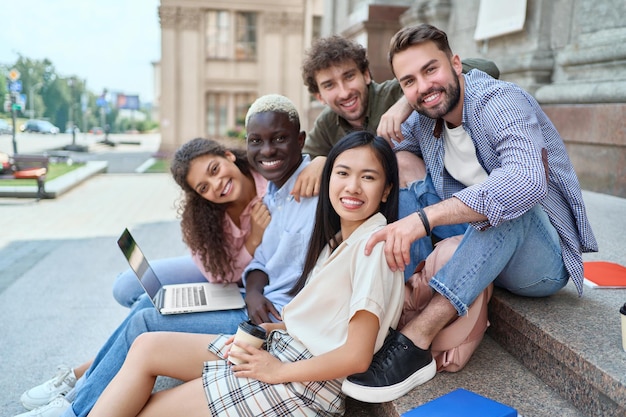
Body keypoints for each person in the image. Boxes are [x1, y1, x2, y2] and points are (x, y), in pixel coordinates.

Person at [15, 94, 317, 417]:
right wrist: (251, 249)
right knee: (139, 296)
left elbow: (307, 167)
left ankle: (76, 396)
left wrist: (320, 162)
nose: (217, 185)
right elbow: (225, 273)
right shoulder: (214, 212)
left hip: (251, 301)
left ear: (230, 155)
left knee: (146, 317)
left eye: (216, 169)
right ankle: (84, 387)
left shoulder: (272, 182)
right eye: (204, 186)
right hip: (233, 284)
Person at [341, 23, 598, 403]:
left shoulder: (499, 102)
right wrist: (400, 106)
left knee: (513, 202)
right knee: (400, 161)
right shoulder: (426, 113)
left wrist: (424, 220)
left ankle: (417, 340)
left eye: (431, 70)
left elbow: (526, 180)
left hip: (539, 260)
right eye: (409, 80)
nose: (424, 86)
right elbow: (387, 147)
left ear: (456, 64)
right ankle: (396, 302)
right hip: (473, 241)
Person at [85, 131, 405, 417]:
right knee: (146, 346)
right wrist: (268, 330)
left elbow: (357, 356)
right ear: (329, 178)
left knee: (144, 410)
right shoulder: (340, 240)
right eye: (343, 173)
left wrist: (276, 371)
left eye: (368, 177)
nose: (352, 186)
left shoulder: (373, 247)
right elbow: (323, 321)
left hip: (302, 385)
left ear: (387, 190)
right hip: (282, 345)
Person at [294, 35, 498, 277]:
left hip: (436, 200)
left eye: (349, 76)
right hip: (383, 213)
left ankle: (419, 277)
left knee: (400, 161)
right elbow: (307, 157)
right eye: (329, 85)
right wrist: (320, 160)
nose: (344, 91)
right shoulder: (328, 124)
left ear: (366, 75)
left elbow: (488, 67)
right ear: (319, 96)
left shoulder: (393, 91)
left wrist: (405, 104)